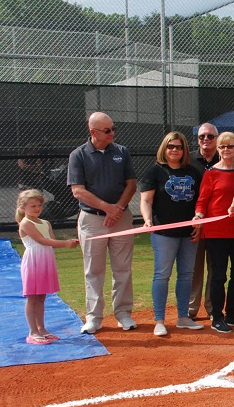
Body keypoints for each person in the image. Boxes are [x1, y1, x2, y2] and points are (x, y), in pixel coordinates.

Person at [68, 111, 138, 334]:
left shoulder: (121, 152)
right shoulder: (78, 155)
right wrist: (107, 208)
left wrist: (117, 209)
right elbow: (78, 191)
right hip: (92, 220)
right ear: (93, 132)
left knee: (123, 268)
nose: (112, 133)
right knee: (93, 270)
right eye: (107, 130)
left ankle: (123, 313)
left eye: (113, 129)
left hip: (121, 218)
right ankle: (94, 317)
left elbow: (131, 184)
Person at [140, 132, 204, 337]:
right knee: (162, 274)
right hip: (163, 232)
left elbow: (201, 201)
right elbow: (146, 200)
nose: (174, 150)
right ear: (164, 148)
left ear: (184, 149)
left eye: (178, 147)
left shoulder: (194, 172)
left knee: (186, 275)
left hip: (188, 233)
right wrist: (148, 220)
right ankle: (159, 320)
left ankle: (183, 317)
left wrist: (199, 222)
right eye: (170, 146)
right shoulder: (155, 172)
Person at [193, 132, 234, 333]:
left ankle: (232, 313)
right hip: (216, 233)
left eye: (230, 146)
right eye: (222, 147)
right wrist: (199, 216)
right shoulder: (211, 173)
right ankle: (217, 316)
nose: (226, 150)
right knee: (218, 275)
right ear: (218, 150)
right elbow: (202, 200)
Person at [16, 189, 79, 344]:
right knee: (33, 297)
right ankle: (33, 332)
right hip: (33, 262)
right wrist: (66, 243)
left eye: (39, 205)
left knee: (42, 297)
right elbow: (43, 241)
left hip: (46, 261)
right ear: (23, 208)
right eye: (33, 206)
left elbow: (51, 242)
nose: (37, 209)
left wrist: (70, 241)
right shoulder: (25, 223)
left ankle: (41, 329)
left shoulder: (46, 223)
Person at [188, 122, 219, 320]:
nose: (206, 140)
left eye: (210, 136)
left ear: (217, 138)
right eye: (202, 137)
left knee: (215, 268)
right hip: (194, 223)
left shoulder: (225, 159)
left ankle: (212, 307)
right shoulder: (188, 160)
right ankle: (191, 308)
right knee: (193, 267)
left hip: (218, 224)